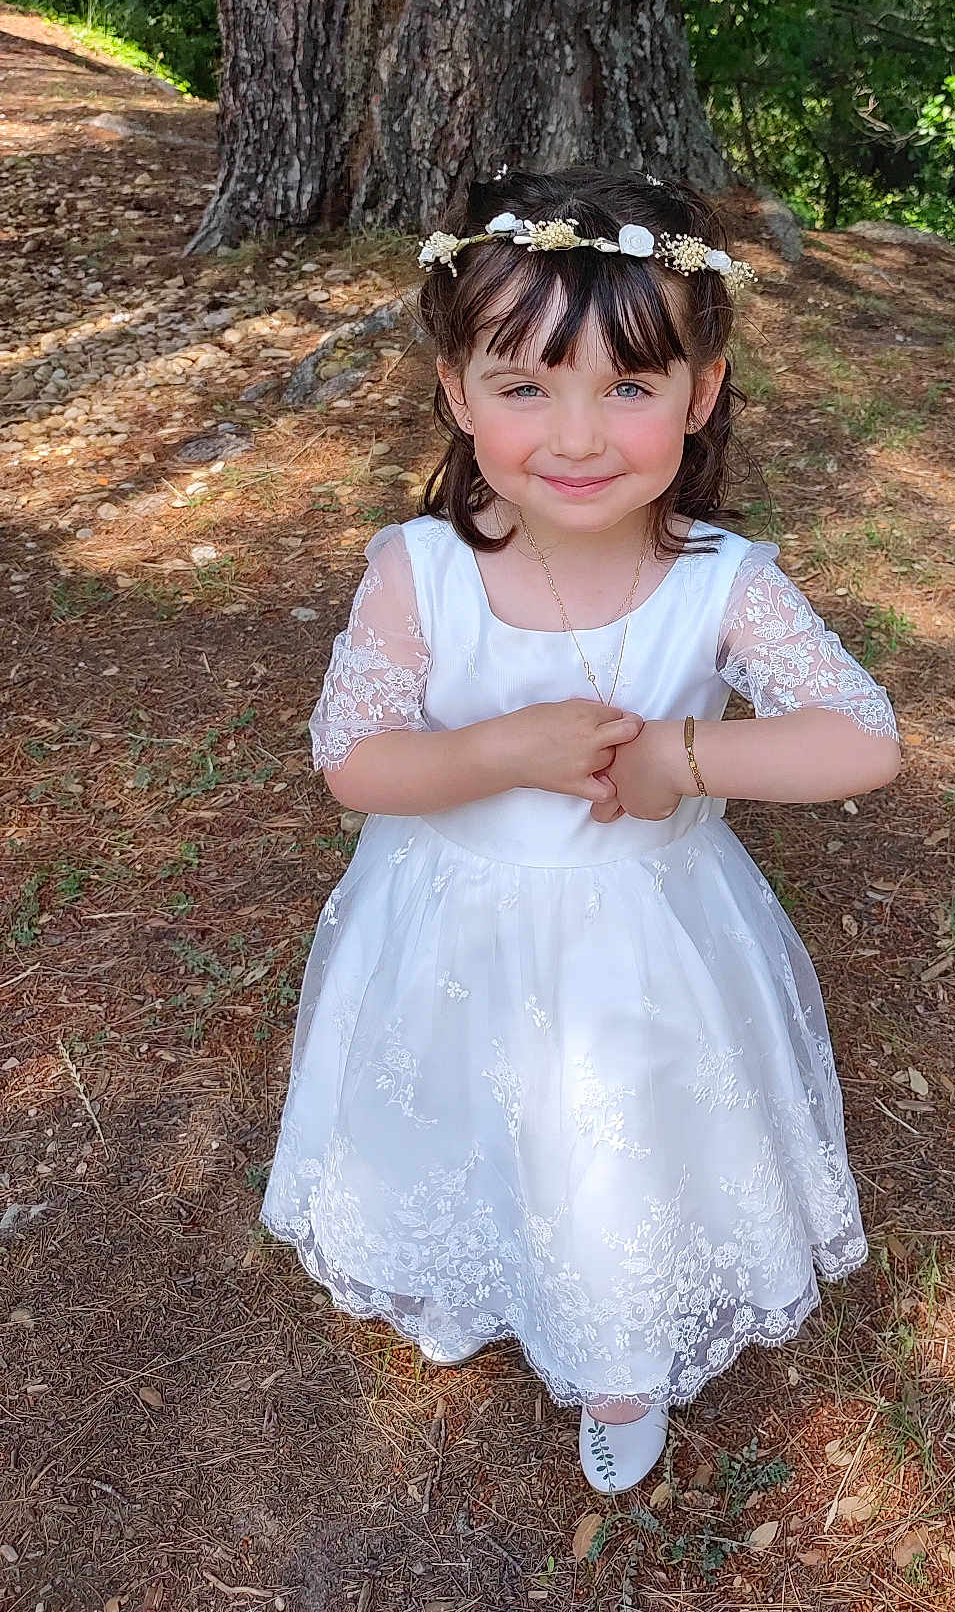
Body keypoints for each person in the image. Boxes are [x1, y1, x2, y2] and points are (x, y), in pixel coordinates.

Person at [260, 165, 901, 1496]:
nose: (577, 434)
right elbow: (354, 762)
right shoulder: (421, 572)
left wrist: (680, 752)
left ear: (699, 394)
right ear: (455, 391)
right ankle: (472, 1257)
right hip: (450, 927)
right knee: (466, 1105)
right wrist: (496, 749)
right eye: (524, 386)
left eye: (627, 386)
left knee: (618, 1128)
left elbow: (862, 737)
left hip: (644, 940)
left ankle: (618, 1349)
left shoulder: (720, 583)